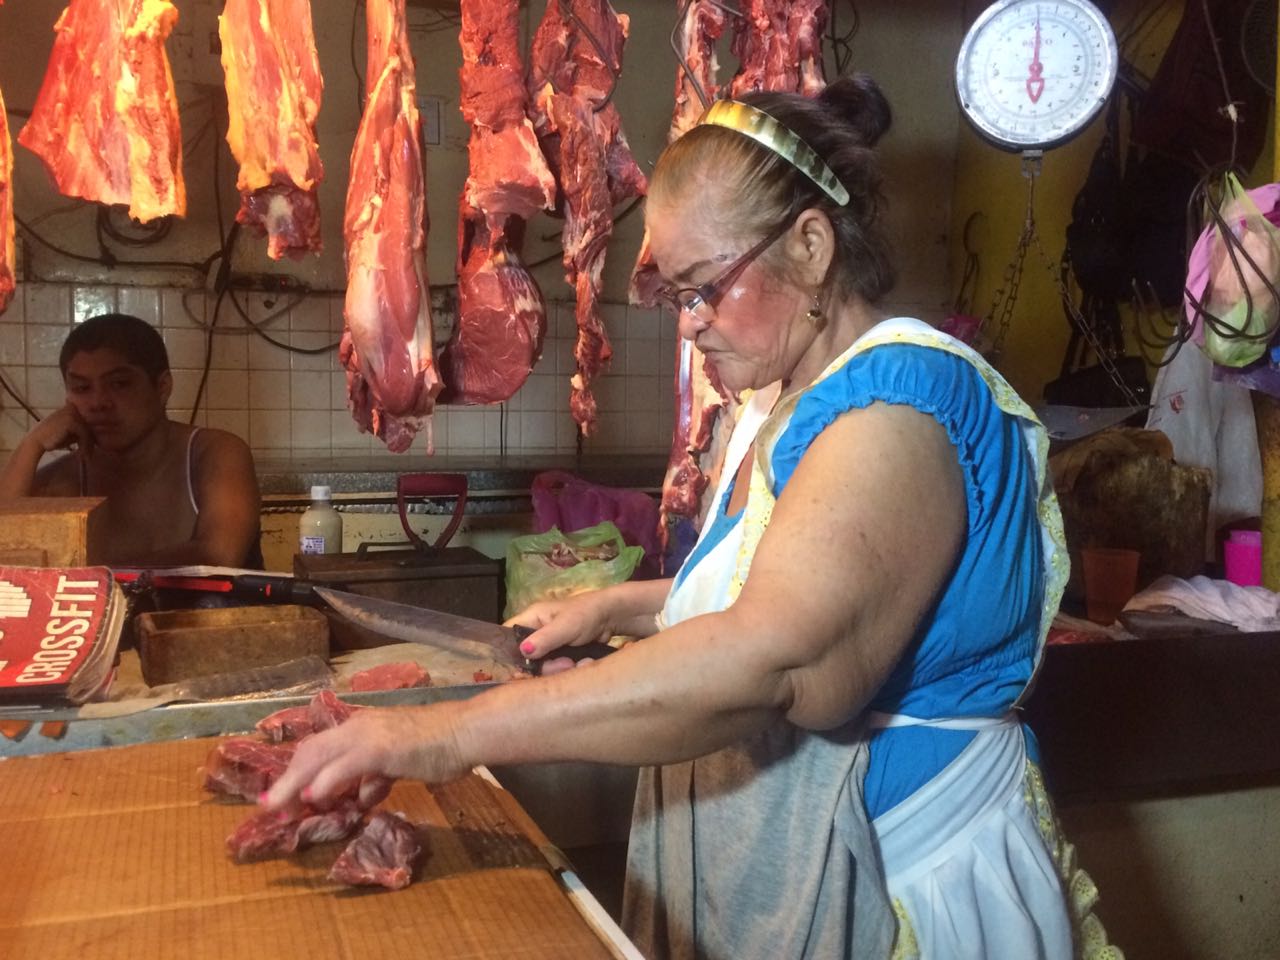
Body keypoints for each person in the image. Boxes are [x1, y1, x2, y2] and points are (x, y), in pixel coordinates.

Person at [265, 74, 1120, 959]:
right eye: (680, 298)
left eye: (705, 288)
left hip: (903, 870)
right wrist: (617, 606)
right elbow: (786, 573)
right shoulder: (791, 394)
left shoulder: (899, 404)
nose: (693, 325)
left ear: (814, 245)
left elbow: (776, 657)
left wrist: (442, 736)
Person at [0, 312, 262, 568]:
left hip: (214, 612)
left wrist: (92, 577)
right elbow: (6, 548)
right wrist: (31, 445)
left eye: (119, 384)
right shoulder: (66, 478)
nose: (98, 402)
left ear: (162, 387)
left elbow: (219, 556)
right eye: (82, 388)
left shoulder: (215, 454)